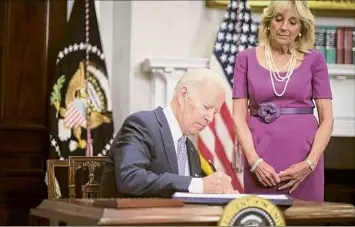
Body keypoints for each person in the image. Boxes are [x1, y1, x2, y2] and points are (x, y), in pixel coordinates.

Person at [232, 0, 333, 202]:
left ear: (301, 28)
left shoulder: (315, 60)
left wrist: (309, 164)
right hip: (260, 157)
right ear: (269, 22)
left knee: (307, 218)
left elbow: (327, 119)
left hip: (305, 156)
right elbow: (238, 116)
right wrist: (254, 161)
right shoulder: (246, 58)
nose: (284, 27)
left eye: (293, 22)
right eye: (279, 19)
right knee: (261, 216)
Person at [100, 68, 238, 198]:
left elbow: (193, 192)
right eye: (206, 107)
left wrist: (219, 193)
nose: (210, 118)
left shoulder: (190, 150)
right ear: (183, 95)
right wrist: (198, 184)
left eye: (214, 112)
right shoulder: (142, 125)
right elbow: (130, 178)